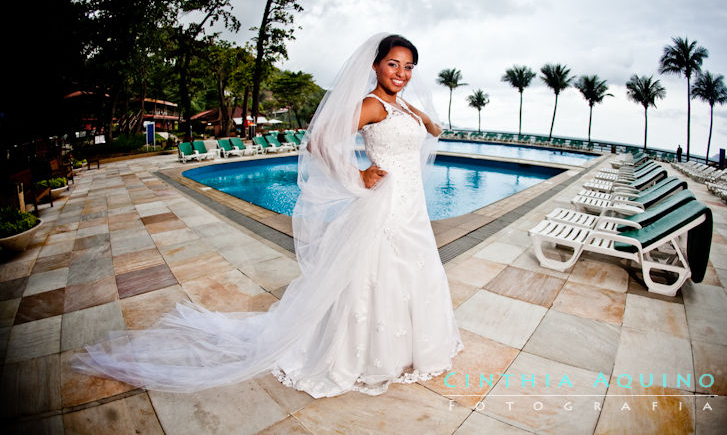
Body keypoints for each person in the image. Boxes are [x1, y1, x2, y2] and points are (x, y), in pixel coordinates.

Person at [73, 33, 462, 397]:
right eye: (394, 64)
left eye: (409, 67)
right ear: (376, 66)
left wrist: (423, 118)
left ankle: (412, 347)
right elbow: (318, 140)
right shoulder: (371, 105)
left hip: (412, 205)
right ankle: (373, 354)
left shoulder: (403, 105)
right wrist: (357, 175)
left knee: (413, 270)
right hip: (385, 205)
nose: (402, 73)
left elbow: (436, 130)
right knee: (382, 273)